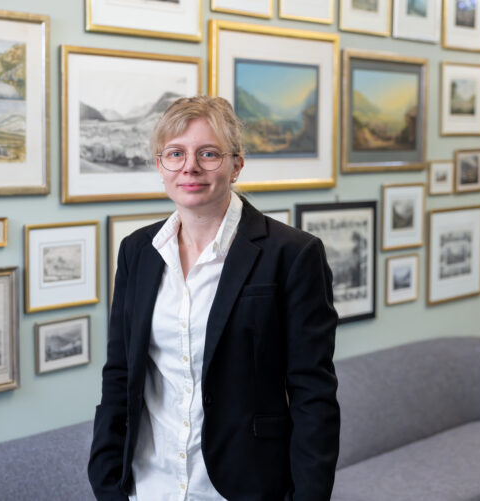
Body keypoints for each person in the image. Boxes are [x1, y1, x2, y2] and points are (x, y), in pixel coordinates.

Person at [88, 96, 339, 501]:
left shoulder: (292, 254)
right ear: (160, 165)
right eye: (175, 153)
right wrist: (105, 476)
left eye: (208, 153)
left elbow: (313, 394)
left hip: (243, 486)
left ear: (236, 165)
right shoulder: (138, 251)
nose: (190, 167)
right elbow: (120, 371)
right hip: (149, 483)